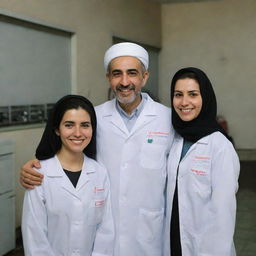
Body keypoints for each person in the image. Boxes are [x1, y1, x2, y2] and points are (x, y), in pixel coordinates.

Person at [20, 42, 174, 256]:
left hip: (148, 231)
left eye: (132, 73)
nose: (124, 82)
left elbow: (180, 170)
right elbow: (68, 149)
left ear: (145, 77)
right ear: (108, 78)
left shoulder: (167, 119)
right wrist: (32, 168)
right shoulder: (94, 117)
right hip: (99, 230)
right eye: (117, 74)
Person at [22, 95, 114, 256]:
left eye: (85, 125)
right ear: (57, 129)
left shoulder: (100, 173)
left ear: (93, 129)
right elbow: (35, 237)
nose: (78, 133)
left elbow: (105, 231)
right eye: (69, 125)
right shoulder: (38, 175)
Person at [164, 67, 240, 256]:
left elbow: (223, 214)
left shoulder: (220, 146)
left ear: (205, 98)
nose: (184, 102)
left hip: (205, 246)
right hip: (173, 241)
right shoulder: (174, 139)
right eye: (178, 94)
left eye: (193, 94)